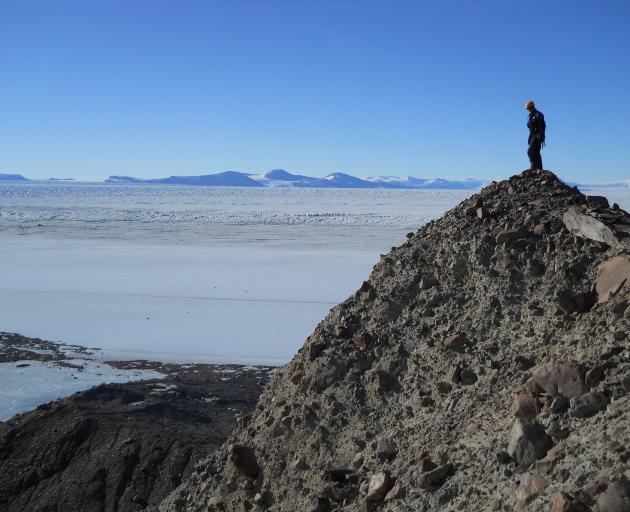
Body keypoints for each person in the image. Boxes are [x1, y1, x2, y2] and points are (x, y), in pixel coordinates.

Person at [524, 100, 546, 170]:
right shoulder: (531, 116)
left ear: (531, 107)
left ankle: (533, 167)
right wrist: (530, 138)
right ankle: (539, 169)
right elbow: (531, 128)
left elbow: (542, 126)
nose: (527, 110)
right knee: (536, 152)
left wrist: (540, 137)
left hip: (536, 136)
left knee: (530, 151)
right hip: (532, 136)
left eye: (528, 108)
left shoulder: (538, 115)